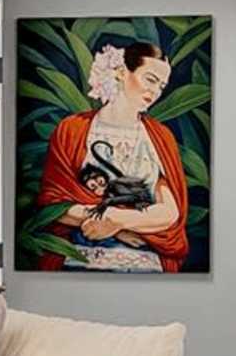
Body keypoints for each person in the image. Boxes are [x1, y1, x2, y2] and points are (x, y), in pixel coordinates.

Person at [35, 32, 190, 272]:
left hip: (145, 265)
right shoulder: (72, 129)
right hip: (77, 262)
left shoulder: (160, 138)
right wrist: (122, 229)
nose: (156, 91)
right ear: (121, 71)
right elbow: (54, 207)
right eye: (150, 79)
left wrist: (118, 221)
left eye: (161, 85)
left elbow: (170, 213)